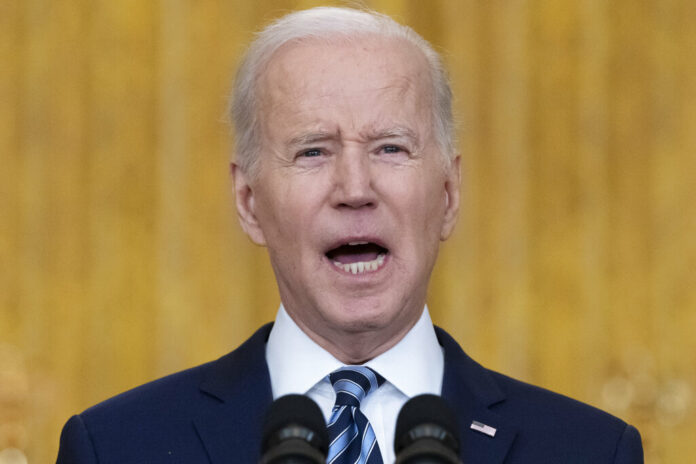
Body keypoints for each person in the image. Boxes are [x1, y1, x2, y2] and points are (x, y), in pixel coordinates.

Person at [56, 7, 643, 464]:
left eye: (391, 148)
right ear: (249, 201)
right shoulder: (117, 445)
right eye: (313, 151)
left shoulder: (588, 449)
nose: (355, 187)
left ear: (447, 194)